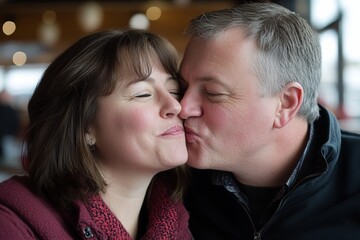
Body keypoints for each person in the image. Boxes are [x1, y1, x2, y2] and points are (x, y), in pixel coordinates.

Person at [179, 2, 360, 239]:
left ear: (285, 104)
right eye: (181, 88)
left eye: (213, 92)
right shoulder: (175, 181)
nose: (183, 108)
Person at [0, 29, 192, 239]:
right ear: (84, 128)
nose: (175, 105)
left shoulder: (181, 225)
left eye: (174, 91)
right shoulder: (12, 225)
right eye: (143, 94)